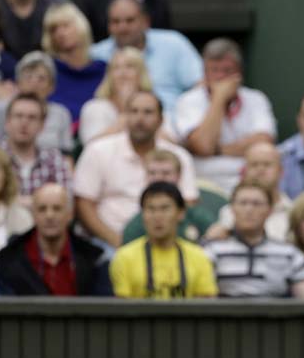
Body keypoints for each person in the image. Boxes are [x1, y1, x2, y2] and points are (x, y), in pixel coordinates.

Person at [73, 91, 198, 249]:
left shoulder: (179, 156)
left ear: (161, 120)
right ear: (124, 117)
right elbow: (84, 205)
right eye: (133, 111)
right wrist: (118, 242)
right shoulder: (98, 151)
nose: (140, 119)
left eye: (148, 112)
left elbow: (188, 204)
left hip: (167, 243)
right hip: (109, 241)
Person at [175, 38, 276, 194]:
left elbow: (263, 141)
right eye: (214, 70)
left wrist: (219, 150)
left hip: (249, 182)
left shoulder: (256, 98)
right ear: (205, 73)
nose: (221, 77)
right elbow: (203, 146)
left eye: (227, 70)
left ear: (239, 72)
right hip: (203, 183)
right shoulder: (188, 101)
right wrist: (219, 99)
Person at [203, 180, 304, 299]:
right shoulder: (211, 251)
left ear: (270, 210)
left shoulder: (289, 254)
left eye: (257, 203)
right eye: (243, 203)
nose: (249, 209)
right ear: (232, 209)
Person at [90, 0, 201, 117]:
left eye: (130, 20)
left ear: (146, 22)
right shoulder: (96, 54)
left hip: (170, 122)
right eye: (115, 21)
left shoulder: (173, 43)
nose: (123, 28)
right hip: (114, 123)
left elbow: (200, 84)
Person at [0, 183, 111, 296]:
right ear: (33, 215)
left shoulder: (94, 260)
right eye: (42, 209)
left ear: (70, 214)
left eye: (57, 208)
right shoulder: (9, 260)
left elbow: (104, 308)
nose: (49, 216)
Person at [111, 182, 217, 299]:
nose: (157, 216)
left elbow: (205, 308)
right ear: (142, 214)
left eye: (165, 208)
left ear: (181, 213)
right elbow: (122, 310)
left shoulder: (199, 257)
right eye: (151, 209)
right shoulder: (124, 257)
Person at [0, 51, 73, 154]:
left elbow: (66, 156)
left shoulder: (61, 114)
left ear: (51, 87)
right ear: (18, 82)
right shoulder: (0, 109)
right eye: (28, 76)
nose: (34, 83)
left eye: (41, 78)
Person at [122, 149, 217, 245]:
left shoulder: (197, 216)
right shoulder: (137, 225)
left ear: (179, 176)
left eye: (166, 173)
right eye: (152, 173)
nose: (158, 179)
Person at [205, 141, 292, 241]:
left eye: (267, 164)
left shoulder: (293, 212)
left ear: (281, 171)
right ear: (244, 171)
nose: (260, 169)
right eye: (254, 165)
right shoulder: (229, 212)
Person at [0, 93, 73, 209]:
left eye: (32, 117)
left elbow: (66, 202)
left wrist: (15, 202)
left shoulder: (54, 159)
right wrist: (40, 203)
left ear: (42, 125)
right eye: (18, 116)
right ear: (7, 122)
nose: (24, 123)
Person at [41, 2, 106, 123]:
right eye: (54, 29)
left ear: (80, 26)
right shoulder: (47, 71)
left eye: (66, 26)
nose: (60, 33)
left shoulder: (103, 70)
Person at [79, 46, 154, 145]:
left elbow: (171, 144)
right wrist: (126, 111)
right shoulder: (95, 107)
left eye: (129, 66)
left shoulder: (153, 106)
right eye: (116, 68)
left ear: (141, 74)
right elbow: (91, 146)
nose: (123, 73)